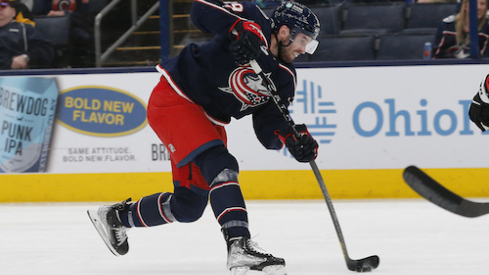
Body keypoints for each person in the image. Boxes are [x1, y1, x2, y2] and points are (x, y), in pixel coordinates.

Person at [87, 1, 320, 274]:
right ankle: (239, 246)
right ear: (283, 32)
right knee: (222, 166)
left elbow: (269, 126)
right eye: (303, 40)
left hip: (207, 120)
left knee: (188, 206)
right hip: (177, 98)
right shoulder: (252, 19)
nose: (304, 49)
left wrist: (293, 139)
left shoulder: (285, 77)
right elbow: (200, 9)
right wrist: (238, 29)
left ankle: (116, 218)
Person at [0, 0, 55, 69]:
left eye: (3, 5)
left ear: (13, 12)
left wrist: (27, 57)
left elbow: (46, 50)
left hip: (18, 74)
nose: (0, 9)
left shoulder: (26, 29)